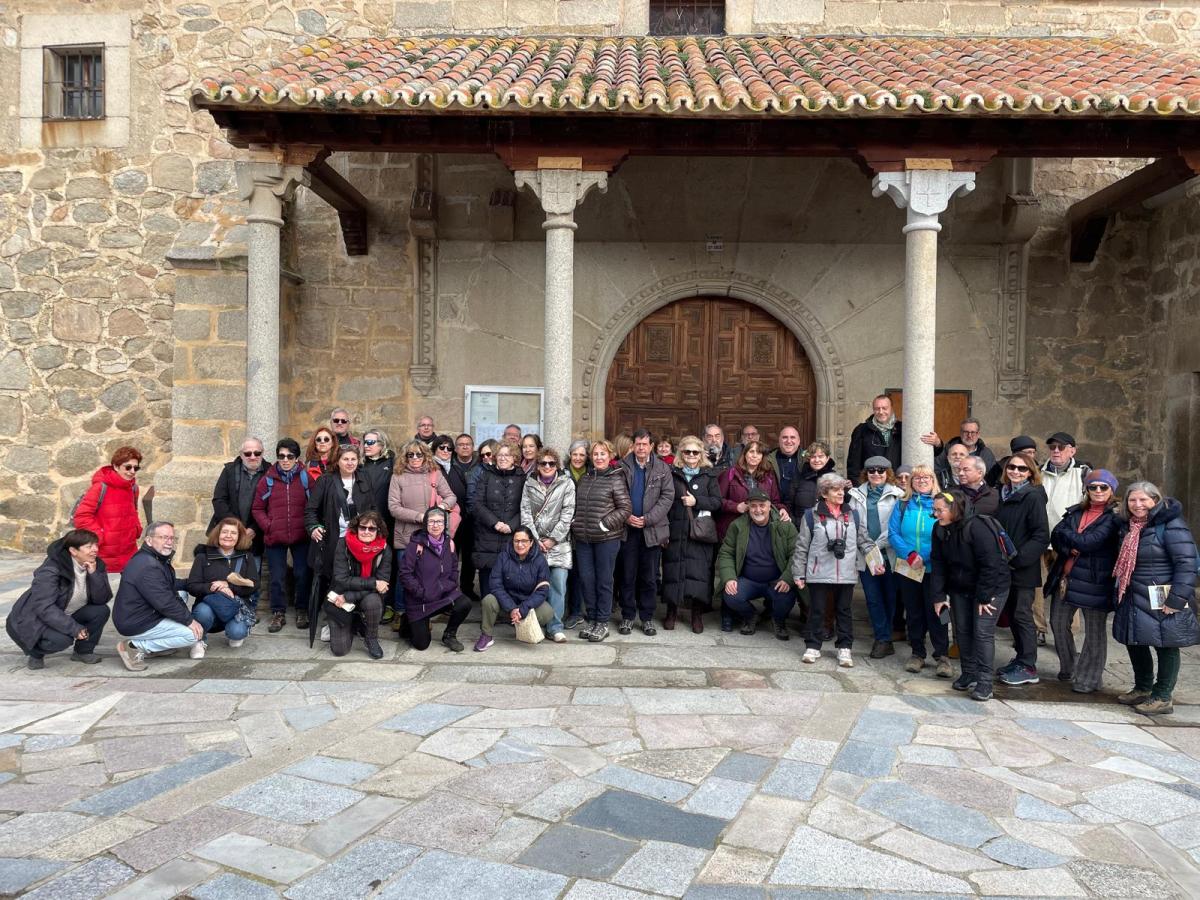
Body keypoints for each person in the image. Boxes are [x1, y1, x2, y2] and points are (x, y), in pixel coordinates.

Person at [1112, 482, 1198, 715]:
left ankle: (1162, 696)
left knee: (1166, 644)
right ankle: (1142, 687)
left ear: (1155, 500)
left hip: (1162, 595)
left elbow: (1187, 563)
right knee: (1135, 639)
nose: (1138, 505)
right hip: (1133, 592)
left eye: (1143, 500)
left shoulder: (1171, 525)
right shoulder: (1128, 526)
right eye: (1132, 500)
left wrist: (1176, 599)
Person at [929, 490, 1011, 702]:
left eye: (940, 510)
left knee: (982, 631)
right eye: (934, 510)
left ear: (955, 509)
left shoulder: (977, 527)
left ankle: (985, 682)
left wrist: (985, 597)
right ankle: (969, 673)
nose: (935, 514)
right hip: (960, 587)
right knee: (962, 630)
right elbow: (938, 563)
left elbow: (991, 564)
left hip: (991, 587)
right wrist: (939, 596)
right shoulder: (939, 529)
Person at [793, 474, 880, 666]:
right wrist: (798, 573)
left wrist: (875, 562)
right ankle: (813, 646)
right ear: (824, 493)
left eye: (843, 489)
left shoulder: (853, 514)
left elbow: (864, 541)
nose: (841, 493)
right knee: (817, 610)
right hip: (819, 572)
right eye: (835, 490)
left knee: (844, 611)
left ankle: (844, 647)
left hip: (846, 573)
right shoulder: (811, 515)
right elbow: (801, 547)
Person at [1048, 470, 1120, 694]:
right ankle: (1069, 668)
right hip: (1067, 578)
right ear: (1086, 490)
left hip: (1095, 581)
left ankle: (1089, 679)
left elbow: (1090, 542)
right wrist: (1070, 547)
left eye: (1103, 487)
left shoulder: (1114, 517)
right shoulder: (1076, 511)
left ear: (1112, 490)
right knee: (1058, 623)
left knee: (1095, 632)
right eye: (1093, 487)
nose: (1098, 491)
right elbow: (1055, 535)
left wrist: (1071, 538)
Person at [6, 529, 111, 669]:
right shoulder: (51, 570)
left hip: (65, 612)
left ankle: (82, 652)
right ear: (73, 551)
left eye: (96, 545)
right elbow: (44, 608)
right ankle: (36, 653)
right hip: (34, 618)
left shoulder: (95, 564)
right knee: (62, 640)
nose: (95, 550)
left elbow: (101, 599)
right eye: (89, 547)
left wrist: (94, 574)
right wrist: (73, 628)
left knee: (101, 610)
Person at [306, 444, 377, 636]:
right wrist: (314, 527)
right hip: (335, 540)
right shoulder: (326, 481)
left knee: (357, 580)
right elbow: (311, 510)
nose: (350, 462)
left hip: (360, 539)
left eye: (353, 459)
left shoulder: (364, 479)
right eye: (346, 459)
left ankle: (355, 619)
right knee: (336, 581)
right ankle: (332, 620)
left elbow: (372, 509)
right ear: (337, 461)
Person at [994, 453, 1050, 686]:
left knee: (1022, 615)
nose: (1015, 472)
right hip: (1005, 567)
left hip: (1022, 567)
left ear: (1030, 473)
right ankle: (1020, 658)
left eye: (1022, 469)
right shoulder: (1004, 494)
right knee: (1013, 616)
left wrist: (1018, 559)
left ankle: (1029, 665)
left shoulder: (1033, 496)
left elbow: (1040, 535)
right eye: (1012, 467)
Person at [114, 522, 201, 671]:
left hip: (145, 612)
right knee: (192, 635)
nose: (169, 542)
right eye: (163, 537)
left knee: (181, 593)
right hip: (136, 621)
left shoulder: (156, 559)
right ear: (149, 540)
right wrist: (189, 621)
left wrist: (197, 584)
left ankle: (156, 647)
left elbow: (171, 588)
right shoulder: (148, 565)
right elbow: (165, 601)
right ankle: (134, 646)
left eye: (171, 538)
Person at [889, 464, 950, 676]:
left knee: (938, 611)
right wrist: (910, 555)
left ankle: (942, 655)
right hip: (909, 568)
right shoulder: (903, 505)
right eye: (917, 478)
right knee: (914, 611)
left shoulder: (940, 504)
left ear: (933, 481)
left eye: (926, 477)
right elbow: (893, 533)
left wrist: (923, 557)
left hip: (935, 568)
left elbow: (945, 532)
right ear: (910, 482)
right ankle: (917, 653)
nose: (922, 481)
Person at [388, 440, 455, 630]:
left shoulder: (434, 474)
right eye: (411, 455)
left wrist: (441, 509)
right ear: (405, 457)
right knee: (405, 576)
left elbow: (451, 496)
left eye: (419, 454)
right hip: (406, 535)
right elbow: (393, 507)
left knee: (426, 576)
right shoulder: (398, 476)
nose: (415, 458)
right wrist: (420, 517)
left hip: (431, 536)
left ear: (426, 455)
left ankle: (423, 612)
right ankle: (401, 613)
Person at [717, 489, 798, 641]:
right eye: (753, 506)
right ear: (748, 507)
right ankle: (750, 616)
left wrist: (787, 578)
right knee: (731, 594)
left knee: (787, 596)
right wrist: (729, 578)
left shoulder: (785, 526)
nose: (758, 510)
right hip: (749, 580)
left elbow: (796, 554)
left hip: (776, 580)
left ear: (769, 506)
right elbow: (726, 553)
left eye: (762, 505)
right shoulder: (738, 526)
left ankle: (779, 620)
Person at [573, 440, 632, 642]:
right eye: (595, 454)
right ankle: (592, 619)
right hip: (583, 539)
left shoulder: (616, 478)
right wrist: (575, 521)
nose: (598, 457)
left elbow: (625, 508)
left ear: (610, 456)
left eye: (602, 454)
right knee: (587, 580)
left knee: (604, 581)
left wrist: (605, 524)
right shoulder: (586, 478)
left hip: (606, 539)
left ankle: (603, 622)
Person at [1037, 432, 1092, 645]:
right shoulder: (1039, 472)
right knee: (1036, 588)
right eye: (1052, 447)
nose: (1056, 451)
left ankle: (1068, 633)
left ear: (1072, 450)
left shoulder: (1082, 474)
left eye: (1061, 447)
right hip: (1042, 539)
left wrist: (1080, 539)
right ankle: (1038, 628)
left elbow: (1090, 506)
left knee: (1067, 587)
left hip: (1068, 542)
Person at [662, 434, 721, 634]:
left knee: (698, 573)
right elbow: (664, 501)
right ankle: (671, 611)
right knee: (673, 572)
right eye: (687, 451)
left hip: (699, 532)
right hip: (676, 529)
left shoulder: (709, 476)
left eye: (695, 452)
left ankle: (696, 615)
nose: (691, 455)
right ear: (681, 453)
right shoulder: (671, 473)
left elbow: (717, 502)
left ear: (701, 454)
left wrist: (697, 502)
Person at [618, 429, 675, 635]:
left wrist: (648, 518)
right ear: (633, 445)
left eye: (645, 444)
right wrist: (626, 516)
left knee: (649, 577)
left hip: (651, 530)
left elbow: (667, 497)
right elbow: (616, 494)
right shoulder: (622, 467)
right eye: (638, 444)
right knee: (627, 575)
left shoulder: (662, 468)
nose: (641, 448)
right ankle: (627, 616)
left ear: (652, 446)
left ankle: (647, 617)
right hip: (628, 529)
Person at [252, 438, 311, 633]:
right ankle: (278, 612)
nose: (285, 460)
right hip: (275, 537)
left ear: (296, 458)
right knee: (277, 577)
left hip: (301, 536)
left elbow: (314, 504)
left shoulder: (305, 477)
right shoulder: (268, 479)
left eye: (289, 456)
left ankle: (302, 609)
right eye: (281, 456)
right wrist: (268, 526)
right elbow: (258, 508)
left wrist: (309, 526)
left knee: (302, 574)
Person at [849, 456, 905, 658]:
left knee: (890, 597)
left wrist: (877, 545)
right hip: (866, 555)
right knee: (873, 598)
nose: (876, 474)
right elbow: (855, 524)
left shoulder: (898, 495)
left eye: (881, 470)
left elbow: (896, 526)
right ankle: (882, 639)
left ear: (888, 473)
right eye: (871, 470)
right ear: (866, 473)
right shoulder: (855, 495)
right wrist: (868, 547)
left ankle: (886, 634)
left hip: (889, 552)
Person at [184, 517, 259, 658]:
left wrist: (229, 586)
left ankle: (235, 631)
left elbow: (254, 585)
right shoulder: (203, 557)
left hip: (235, 606)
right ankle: (199, 641)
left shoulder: (246, 557)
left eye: (233, 533)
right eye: (224, 532)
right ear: (217, 534)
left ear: (239, 537)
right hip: (209, 606)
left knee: (237, 633)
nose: (228, 536)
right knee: (202, 612)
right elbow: (192, 585)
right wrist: (215, 586)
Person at [398, 507, 471, 651]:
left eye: (439, 521)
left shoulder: (449, 544)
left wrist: (450, 585)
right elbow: (405, 574)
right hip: (420, 600)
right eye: (431, 522)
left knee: (464, 603)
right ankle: (407, 621)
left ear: (445, 524)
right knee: (421, 645)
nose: (435, 525)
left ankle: (449, 635)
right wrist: (421, 592)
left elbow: (455, 568)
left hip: (442, 594)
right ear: (425, 524)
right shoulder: (415, 545)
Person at [521, 447, 574, 642]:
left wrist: (553, 539)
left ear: (557, 465)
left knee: (558, 585)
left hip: (559, 544)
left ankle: (555, 626)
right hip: (535, 544)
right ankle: (535, 624)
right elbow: (525, 513)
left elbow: (568, 514)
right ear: (537, 466)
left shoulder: (567, 484)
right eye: (543, 463)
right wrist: (535, 540)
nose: (547, 466)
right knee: (534, 586)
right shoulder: (529, 485)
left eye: (551, 463)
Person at [475, 527, 556, 651]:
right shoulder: (503, 556)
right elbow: (496, 585)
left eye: (524, 541)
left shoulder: (539, 560)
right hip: (506, 604)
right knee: (488, 600)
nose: (520, 544)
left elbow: (542, 590)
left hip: (527, 604)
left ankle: (524, 626)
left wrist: (523, 609)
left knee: (547, 611)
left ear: (531, 542)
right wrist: (512, 608)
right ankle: (486, 635)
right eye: (516, 541)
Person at [328, 511, 390, 658]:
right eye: (363, 527)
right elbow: (342, 579)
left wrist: (349, 596)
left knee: (374, 601)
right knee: (339, 651)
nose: (367, 531)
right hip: (340, 595)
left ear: (378, 530)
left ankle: (371, 638)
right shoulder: (343, 544)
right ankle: (354, 622)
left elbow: (382, 586)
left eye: (372, 528)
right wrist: (373, 583)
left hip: (356, 596)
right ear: (357, 528)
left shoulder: (384, 548)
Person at [74, 445, 142, 576]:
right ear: (116, 467)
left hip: (128, 548)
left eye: (136, 468)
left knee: (132, 588)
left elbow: (134, 510)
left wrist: (136, 529)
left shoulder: (133, 488)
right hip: (104, 550)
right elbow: (81, 517)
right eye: (128, 467)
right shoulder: (100, 487)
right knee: (99, 591)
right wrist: (99, 536)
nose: (132, 471)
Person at [470, 440, 524, 603]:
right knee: (488, 578)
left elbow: (526, 506)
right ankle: (488, 618)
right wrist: (495, 523)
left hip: (511, 534)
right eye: (500, 455)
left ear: (514, 457)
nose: (503, 458)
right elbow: (477, 504)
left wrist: (512, 525)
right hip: (488, 534)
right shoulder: (486, 474)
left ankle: (510, 612)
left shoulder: (522, 477)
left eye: (507, 455)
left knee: (510, 577)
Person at [207, 438, 267, 567]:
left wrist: (253, 528)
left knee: (251, 577)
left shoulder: (270, 472)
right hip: (229, 533)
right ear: (241, 454)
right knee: (223, 575)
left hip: (255, 536)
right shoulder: (229, 470)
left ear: (262, 453)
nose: (252, 457)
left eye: (257, 453)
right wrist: (236, 527)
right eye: (247, 453)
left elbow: (271, 505)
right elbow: (219, 500)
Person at [717, 441, 787, 541]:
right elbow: (717, 501)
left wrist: (782, 509)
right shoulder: (730, 473)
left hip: (761, 529)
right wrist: (736, 507)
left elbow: (775, 502)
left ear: (762, 457)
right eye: (751, 451)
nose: (754, 456)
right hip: (735, 528)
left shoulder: (769, 476)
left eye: (758, 453)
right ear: (745, 454)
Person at [847, 395, 902, 483]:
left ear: (891, 408)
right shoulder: (861, 430)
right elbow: (853, 463)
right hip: (869, 485)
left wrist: (933, 442)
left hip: (896, 485)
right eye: (877, 408)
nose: (880, 412)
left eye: (884, 408)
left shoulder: (902, 429)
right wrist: (857, 486)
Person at [451, 433, 481, 599]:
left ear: (472, 447)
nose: (464, 447)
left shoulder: (479, 464)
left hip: (472, 518)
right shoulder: (449, 464)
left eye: (467, 444)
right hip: (453, 517)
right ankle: (451, 589)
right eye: (461, 444)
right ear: (456, 448)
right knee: (452, 556)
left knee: (470, 556)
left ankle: (467, 588)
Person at [361, 426, 397, 546]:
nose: (366, 445)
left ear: (382, 444)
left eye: (370, 442)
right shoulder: (359, 464)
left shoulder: (393, 463)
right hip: (364, 520)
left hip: (387, 519)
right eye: (365, 442)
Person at [788, 441, 835, 519]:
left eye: (820, 456)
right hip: (801, 527)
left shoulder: (835, 479)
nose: (817, 460)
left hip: (827, 527)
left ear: (827, 458)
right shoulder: (798, 478)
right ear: (809, 458)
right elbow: (789, 504)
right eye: (813, 457)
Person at [930, 418, 997, 471]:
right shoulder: (948, 450)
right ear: (961, 433)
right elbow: (936, 469)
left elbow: (993, 477)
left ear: (978, 434)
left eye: (973, 432)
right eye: (966, 432)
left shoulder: (986, 453)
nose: (969, 436)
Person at [766, 426, 805, 512]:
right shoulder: (767, 460)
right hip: (775, 510)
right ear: (779, 441)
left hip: (801, 511)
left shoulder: (808, 460)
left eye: (792, 437)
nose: (788, 441)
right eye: (785, 437)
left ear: (798, 441)